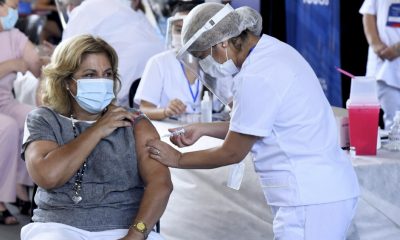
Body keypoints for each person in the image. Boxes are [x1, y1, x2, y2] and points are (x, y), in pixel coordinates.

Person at [146, 3, 360, 240]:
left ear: (222, 43)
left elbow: (232, 152)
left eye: (203, 57)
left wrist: (177, 158)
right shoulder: (271, 52)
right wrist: (204, 129)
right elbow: (259, 125)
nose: (204, 65)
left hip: (310, 198)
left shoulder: (257, 75)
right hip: (320, 193)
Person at [21, 35, 172, 240]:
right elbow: (48, 176)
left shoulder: (136, 123)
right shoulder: (44, 119)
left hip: (127, 228)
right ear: (67, 82)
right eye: (90, 75)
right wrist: (98, 129)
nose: (102, 82)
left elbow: (160, 184)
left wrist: (135, 235)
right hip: (59, 227)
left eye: (107, 74)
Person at [62, 0, 164, 107]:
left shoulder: (86, 9)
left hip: (123, 94)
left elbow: (66, 57)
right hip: (153, 94)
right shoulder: (133, 13)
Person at [0, 0, 42, 225]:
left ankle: (19, 188)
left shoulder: (14, 35)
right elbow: (15, 64)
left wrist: (45, 64)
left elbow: (36, 63)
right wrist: (9, 65)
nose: (16, 13)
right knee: (5, 126)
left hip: (4, 102)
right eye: (12, 7)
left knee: (34, 118)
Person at [134, 2, 204, 120]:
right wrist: (165, 111)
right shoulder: (158, 62)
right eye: (178, 30)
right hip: (170, 131)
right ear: (170, 31)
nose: (183, 36)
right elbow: (144, 110)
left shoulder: (214, 62)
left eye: (189, 30)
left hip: (206, 132)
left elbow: (231, 102)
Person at [360, 0, 400, 129]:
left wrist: (397, 48)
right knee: (393, 124)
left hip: (394, 57)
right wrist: (375, 44)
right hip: (383, 68)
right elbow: (368, 13)